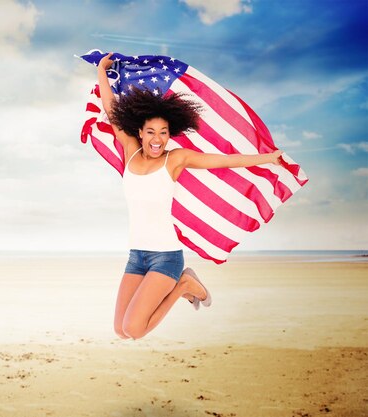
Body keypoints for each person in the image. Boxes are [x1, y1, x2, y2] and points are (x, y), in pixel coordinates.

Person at [97, 52, 283, 340]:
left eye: (163, 132)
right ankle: (183, 287)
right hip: (136, 256)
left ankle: (184, 285)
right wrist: (101, 72)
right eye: (151, 132)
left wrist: (267, 158)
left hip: (166, 258)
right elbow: (111, 112)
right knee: (120, 331)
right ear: (141, 133)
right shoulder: (130, 151)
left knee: (134, 329)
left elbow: (221, 161)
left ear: (170, 133)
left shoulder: (176, 159)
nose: (157, 139)